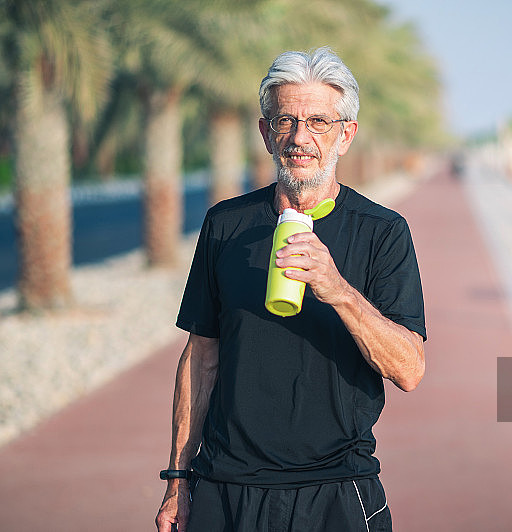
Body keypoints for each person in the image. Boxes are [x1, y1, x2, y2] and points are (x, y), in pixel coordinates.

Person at [155, 47, 426, 532]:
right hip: (226, 489)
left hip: (337, 489)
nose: (300, 138)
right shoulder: (225, 225)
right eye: (286, 121)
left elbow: (409, 369)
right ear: (266, 132)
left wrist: (338, 290)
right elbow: (201, 358)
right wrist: (177, 479)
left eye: (319, 122)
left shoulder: (382, 232)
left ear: (346, 135)